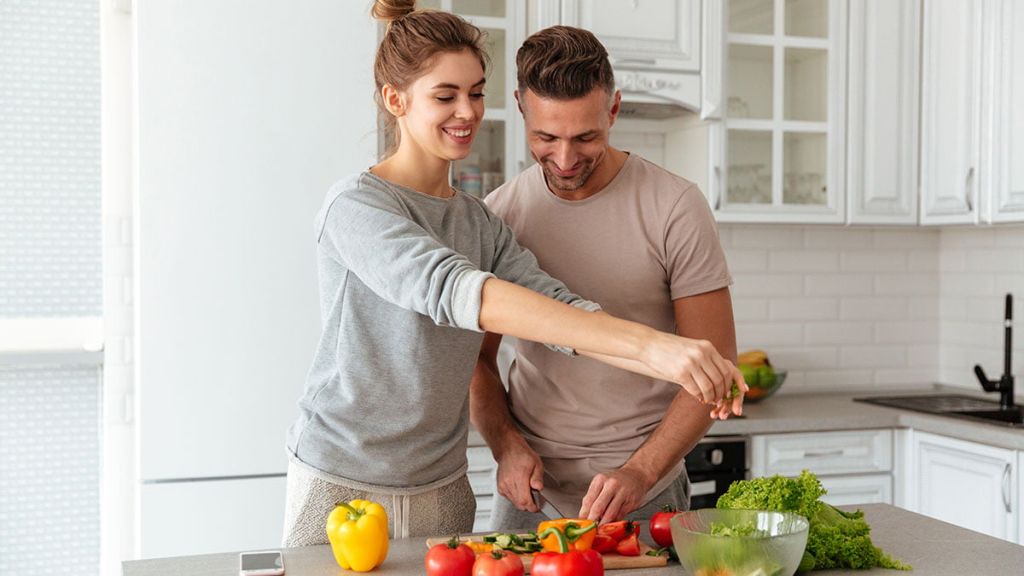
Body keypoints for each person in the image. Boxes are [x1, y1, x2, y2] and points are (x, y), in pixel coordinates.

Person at [282, 2, 744, 546]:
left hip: (442, 482)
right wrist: (654, 349)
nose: (467, 111)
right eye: (445, 95)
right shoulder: (356, 206)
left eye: (476, 93)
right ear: (395, 99)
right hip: (345, 477)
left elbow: (560, 311)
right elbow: (455, 289)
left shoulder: (479, 221)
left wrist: (676, 358)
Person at [471, 25, 739, 531]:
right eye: (546, 137)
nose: (566, 159)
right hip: (528, 494)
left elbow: (717, 362)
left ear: (613, 109)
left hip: (645, 492)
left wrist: (640, 471)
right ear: (521, 109)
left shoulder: (675, 207)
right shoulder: (498, 215)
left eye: (586, 137)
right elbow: (474, 363)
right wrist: (505, 446)